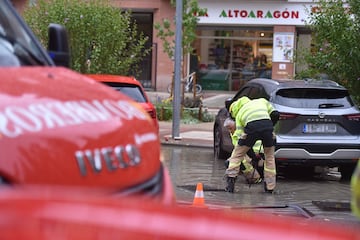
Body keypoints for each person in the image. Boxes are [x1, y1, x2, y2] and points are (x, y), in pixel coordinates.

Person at [224, 96, 279, 193]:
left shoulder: (240, 114)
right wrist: (269, 127)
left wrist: (253, 156)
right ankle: (270, 187)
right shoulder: (261, 101)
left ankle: (230, 183)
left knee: (237, 155)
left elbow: (242, 139)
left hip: (251, 129)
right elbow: (275, 114)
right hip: (267, 127)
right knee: (270, 157)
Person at [223, 118, 262, 185]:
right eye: (228, 129)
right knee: (230, 162)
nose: (230, 131)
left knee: (241, 163)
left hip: (255, 152)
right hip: (245, 152)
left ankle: (255, 178)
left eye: (230, 128)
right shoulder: (234, 132)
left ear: (235, 125)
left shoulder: (241, 131)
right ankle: (236, 177)